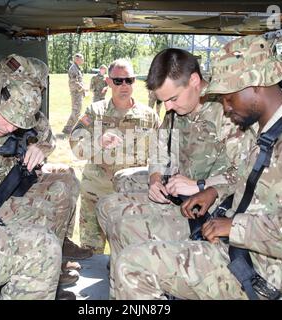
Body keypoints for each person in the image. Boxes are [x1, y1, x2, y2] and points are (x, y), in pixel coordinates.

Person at [114, 35, 282, 300]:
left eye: (229, 98)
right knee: (129, 241)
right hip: (227, 240)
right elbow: (241, 178)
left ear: (255, 86)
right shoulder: (263, 130)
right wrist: (211, 192)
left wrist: (235, 227)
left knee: (133, 265)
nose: (225, 107)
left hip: (258, 268)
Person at [96, 48, 243, 298]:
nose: (167, 106)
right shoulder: (176, 108)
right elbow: (159, 147)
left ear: (194, 81)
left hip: (210, 210)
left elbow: (245, 174)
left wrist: (200, 184)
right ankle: (129, 285)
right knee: (105, 206)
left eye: (172, 98)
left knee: (126, 225)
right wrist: (155, 178)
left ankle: (142, 276)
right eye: (163, 100)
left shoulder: (227, 112)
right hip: (178, 195)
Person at [0, 54, 62, 300]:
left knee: (47, 208)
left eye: (17, 124)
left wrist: (39, 148)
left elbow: (46, 135)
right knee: (42, 245)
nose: (10, 127)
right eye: (8, 119)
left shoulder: (24, 121)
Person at [0, 54, 92, 262]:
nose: (37, 93)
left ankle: (63, 242)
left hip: (21, 175)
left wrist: (38, 147)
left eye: (38, 89)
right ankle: (51, 256)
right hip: (5, 185)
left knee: (68, 174)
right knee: (57, 192)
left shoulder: (31, 112)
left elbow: (48, 137)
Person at [69, 58, 160, 254]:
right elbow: (75, 146)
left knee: (133, 255)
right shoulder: (95, 112)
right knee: (91, 255)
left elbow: (161, 154)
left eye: (129, 80)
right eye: (118, 81)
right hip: (96, 194)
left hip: (133, 199)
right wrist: (98, 141)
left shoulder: (149, 116)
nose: (124, 85)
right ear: (108, 82)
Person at [63, 53, 87, 134]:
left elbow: (79, 80)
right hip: (76, 92)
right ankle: (68, 129)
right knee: (76, 111)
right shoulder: (73, 68)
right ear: (77, 59)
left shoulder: (77, 68)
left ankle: (72, 128)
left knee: (77, 111)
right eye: (82, 59)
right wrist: (83, 88)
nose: (83, 60)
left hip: (78, 92)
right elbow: (74, 82)